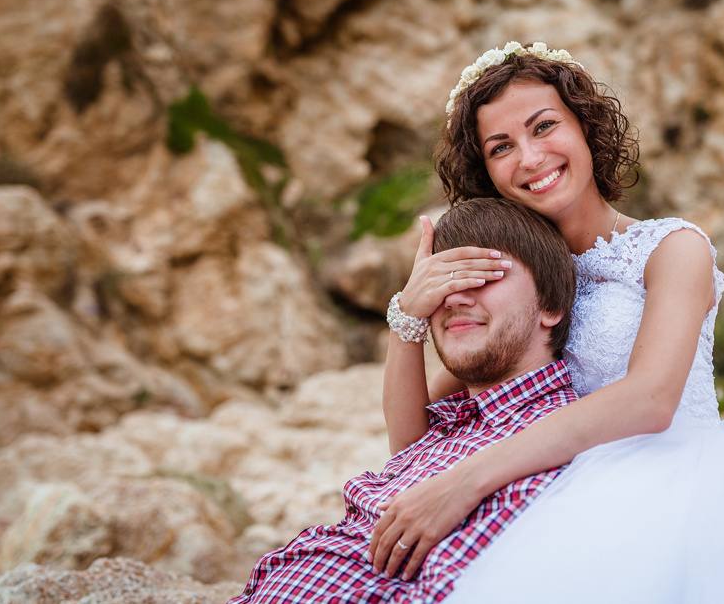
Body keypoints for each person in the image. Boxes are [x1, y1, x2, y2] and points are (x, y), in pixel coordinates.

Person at [372, 42, 724, 602]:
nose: (529, 157)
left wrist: (469, 478)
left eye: (544, 126)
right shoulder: (514, 280)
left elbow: (651, 400)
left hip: (678, 478)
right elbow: (415, 442)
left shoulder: (669, 248)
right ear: (487, 171)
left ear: (585, 128)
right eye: (501, 147)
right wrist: (409, 316)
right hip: (552, 489)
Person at [228, 197, 579, 604]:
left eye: (483, 274)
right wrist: (408, 313)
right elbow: (406, 443)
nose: (454, 298)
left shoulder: (546, 445)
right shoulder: (453, 424)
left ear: (550, 305)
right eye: (441, 282)